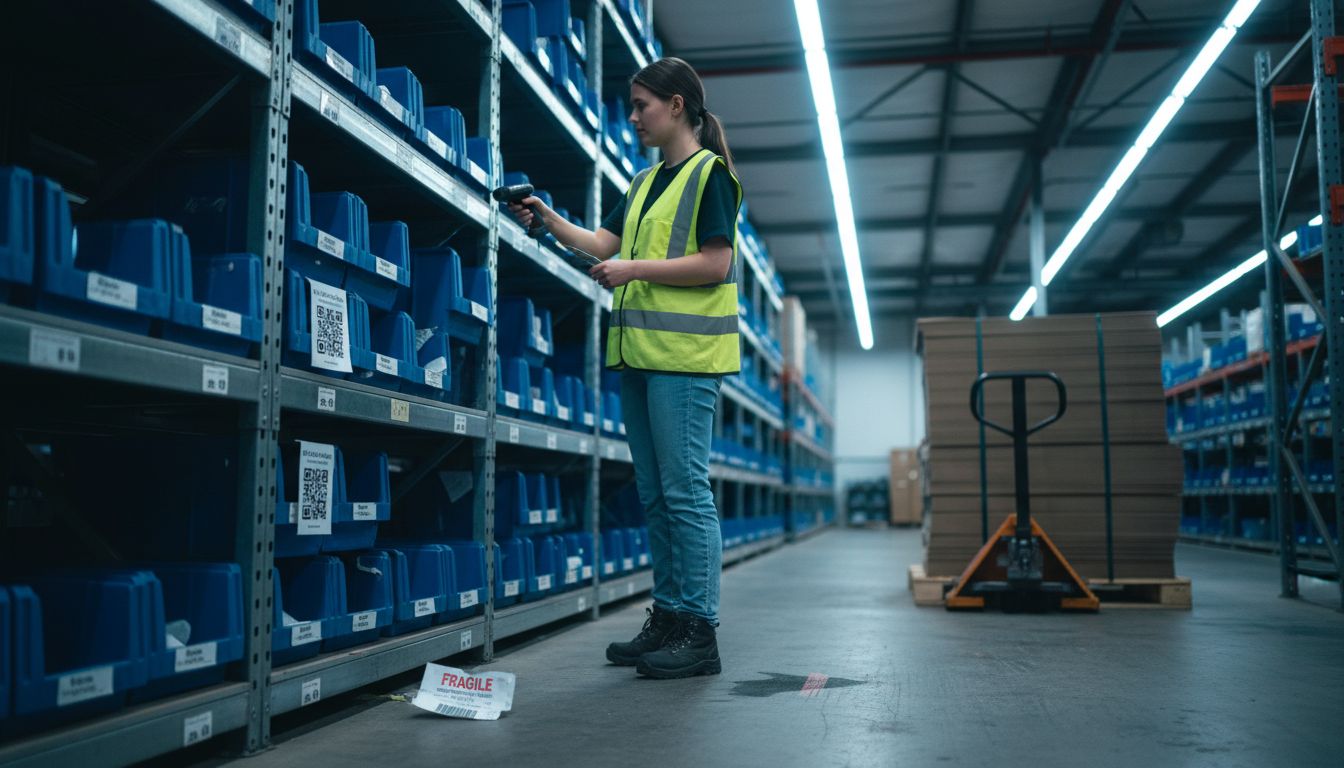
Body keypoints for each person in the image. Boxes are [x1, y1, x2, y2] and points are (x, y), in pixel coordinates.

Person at [507, 56, 742, 680]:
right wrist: (548, 220)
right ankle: (668, 615)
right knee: (657, 495)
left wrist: (634, 271)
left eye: (642, 105)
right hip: (640, 357)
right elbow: (604, 244)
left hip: (687, 361)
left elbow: (716, 265)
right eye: (632, 105)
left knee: (688, 494)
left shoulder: (708, 175)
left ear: (677, 107)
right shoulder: (642, 183)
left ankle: (700, 629)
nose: (633, 116)